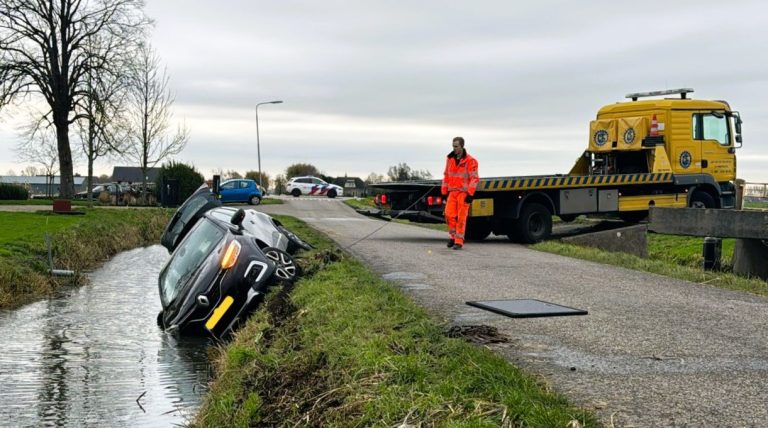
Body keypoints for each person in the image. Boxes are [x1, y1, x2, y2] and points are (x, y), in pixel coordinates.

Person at [441, 136, 479, 250]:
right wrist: (444, 192)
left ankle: (459, 241)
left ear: (462, 146)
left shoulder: (471, 161)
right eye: (453, 146)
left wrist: (470, 194)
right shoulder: (450, 159)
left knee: (461, 218)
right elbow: (446, 176)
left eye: (456, 146)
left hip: (463, 193)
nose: (454, 148)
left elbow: (474, 178)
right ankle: (453, 237)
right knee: (448, 215)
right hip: (452, 192)